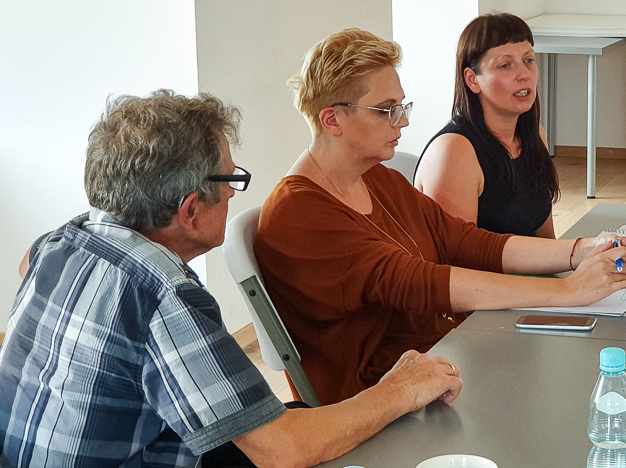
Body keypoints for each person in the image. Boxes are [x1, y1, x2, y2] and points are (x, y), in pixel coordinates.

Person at [0, 91, 462, 468]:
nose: (232, 192)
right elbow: (282, 450)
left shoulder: (61, 240)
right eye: (229, 179)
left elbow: (26, 266)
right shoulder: (165, 294)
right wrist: (400, 388)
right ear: (189, 210)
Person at [254, 28, 626, 405]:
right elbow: (419, 282)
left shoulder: (377, 178)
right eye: (387, 110)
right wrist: (568, 292)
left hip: (439, 359)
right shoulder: (299, 214)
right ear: (332, 120)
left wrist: (580, 250)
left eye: (402, 107)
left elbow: (465, 241)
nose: (402, 122)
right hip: (381, 396)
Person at [415, 13, 557, 237]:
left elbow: (547, 241)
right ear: (472, 79)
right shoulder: (454, 151)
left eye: (529, 60)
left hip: (527, 261)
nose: (524, 74)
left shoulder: (535, 134)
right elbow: (458, 254)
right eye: (505, 65)